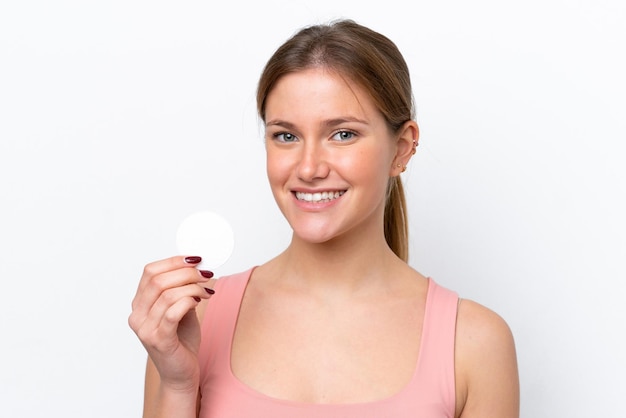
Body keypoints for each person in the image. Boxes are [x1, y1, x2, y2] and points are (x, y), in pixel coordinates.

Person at [128, 19, 519, 418]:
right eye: (286, 136)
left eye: (343, 134)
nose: (309, 167)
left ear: (402, 149)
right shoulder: (193, 318)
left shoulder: (474, 343)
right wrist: (177, 384)